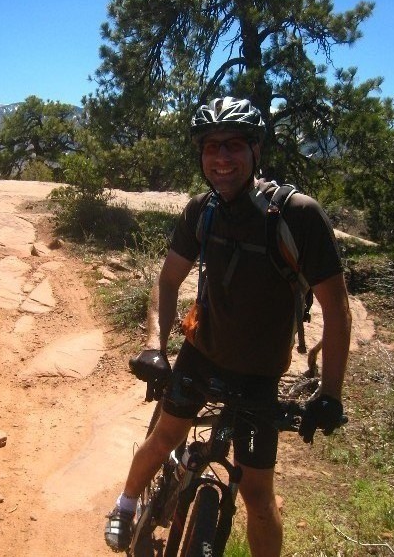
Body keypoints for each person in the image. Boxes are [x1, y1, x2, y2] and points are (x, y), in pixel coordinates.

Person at [103, 97, 352, 557]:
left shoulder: (297, 215)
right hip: (202, 353)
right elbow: (168, 279)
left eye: (233, 145)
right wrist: (155, 346)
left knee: (258, 495)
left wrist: (331, 394)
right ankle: (125, 503)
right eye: (211, 147)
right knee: (164, 438)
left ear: (257, 150)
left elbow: (336, 310)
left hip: (260, 375)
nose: (221, 159)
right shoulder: (203, 210)